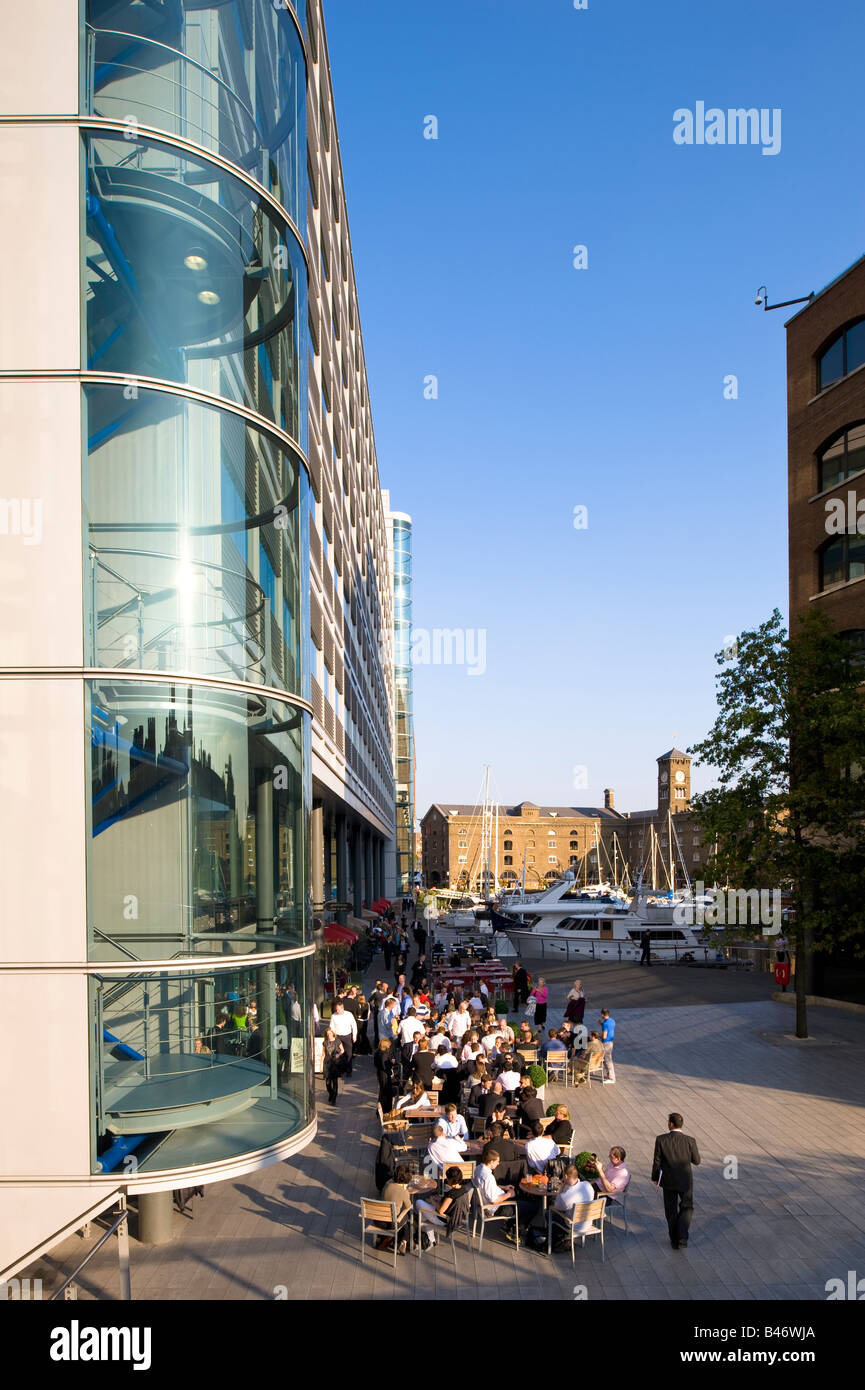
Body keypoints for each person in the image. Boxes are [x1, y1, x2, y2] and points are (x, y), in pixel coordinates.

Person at [652, 1113, 700, 1249]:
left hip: (668, 1181)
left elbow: (657, 1161)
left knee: (670, 1210)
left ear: (671, 1124)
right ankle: (682, 1237)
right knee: (687, 1207)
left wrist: (655, 1177)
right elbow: (696, 1161)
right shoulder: (690, 1140)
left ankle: (674, 1240)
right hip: (685, 1180)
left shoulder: (661, 1140)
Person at [378, 1163, 413, 1254]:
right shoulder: (403, 1191)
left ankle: (400, 1240)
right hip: (391, 1223)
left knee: (400, 1213)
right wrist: (400, 1217)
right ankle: (404, 1241)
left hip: (379, 1220)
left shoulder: (386, 1185)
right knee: (406, 1216)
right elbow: (409, 1206)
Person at [329, 1001, 357, 1078]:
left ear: (342, 1008)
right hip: (338, 1037)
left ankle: (349, 1071)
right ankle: (340, 1071)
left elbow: (354, 1025)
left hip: (347, 1036)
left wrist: (354, 1035)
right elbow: (332, 1027)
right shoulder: (334, 1016)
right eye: (336, 1009)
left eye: (338, 1009)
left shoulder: (349, 1015)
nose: (337, 1011)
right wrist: (333, 1037)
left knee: (348, 1054)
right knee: (338, 1054)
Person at [375, 1037, 401, 1111]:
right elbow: (385, 1066)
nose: (389, 1047)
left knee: (382, 1091)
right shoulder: (384, 1054)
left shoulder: (378, 1052)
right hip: (385, 1075)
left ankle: (381, 1108)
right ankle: (385, 1109)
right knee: (385, 1092)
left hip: (380, 1074)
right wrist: (391, 1064)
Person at [322, 1027, 344, 1105]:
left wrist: (339, 1054)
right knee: (328, 1082)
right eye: (328, 1034)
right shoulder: (325, 1042)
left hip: (335, 1063)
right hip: (327, 1063)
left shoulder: (337, 1041)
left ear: (333, 1033)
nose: (329, 1035)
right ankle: (330, 1093)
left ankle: (334, 1098)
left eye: (330, 1033)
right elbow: (323, 1053)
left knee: (335, 1081)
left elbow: (342, 1050)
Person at [599, 1008, 616, 1084]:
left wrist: (597, 1035)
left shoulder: (605, 1024)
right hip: (611, 1042)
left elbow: (604, 1036)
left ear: (602, 1014)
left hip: (606, 1043)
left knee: (607, 1060)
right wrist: (601, 1024)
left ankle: (611, 1078)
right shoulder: (612, 1021)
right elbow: (609, 1028)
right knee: (607, 1059)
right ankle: (609, 1075)